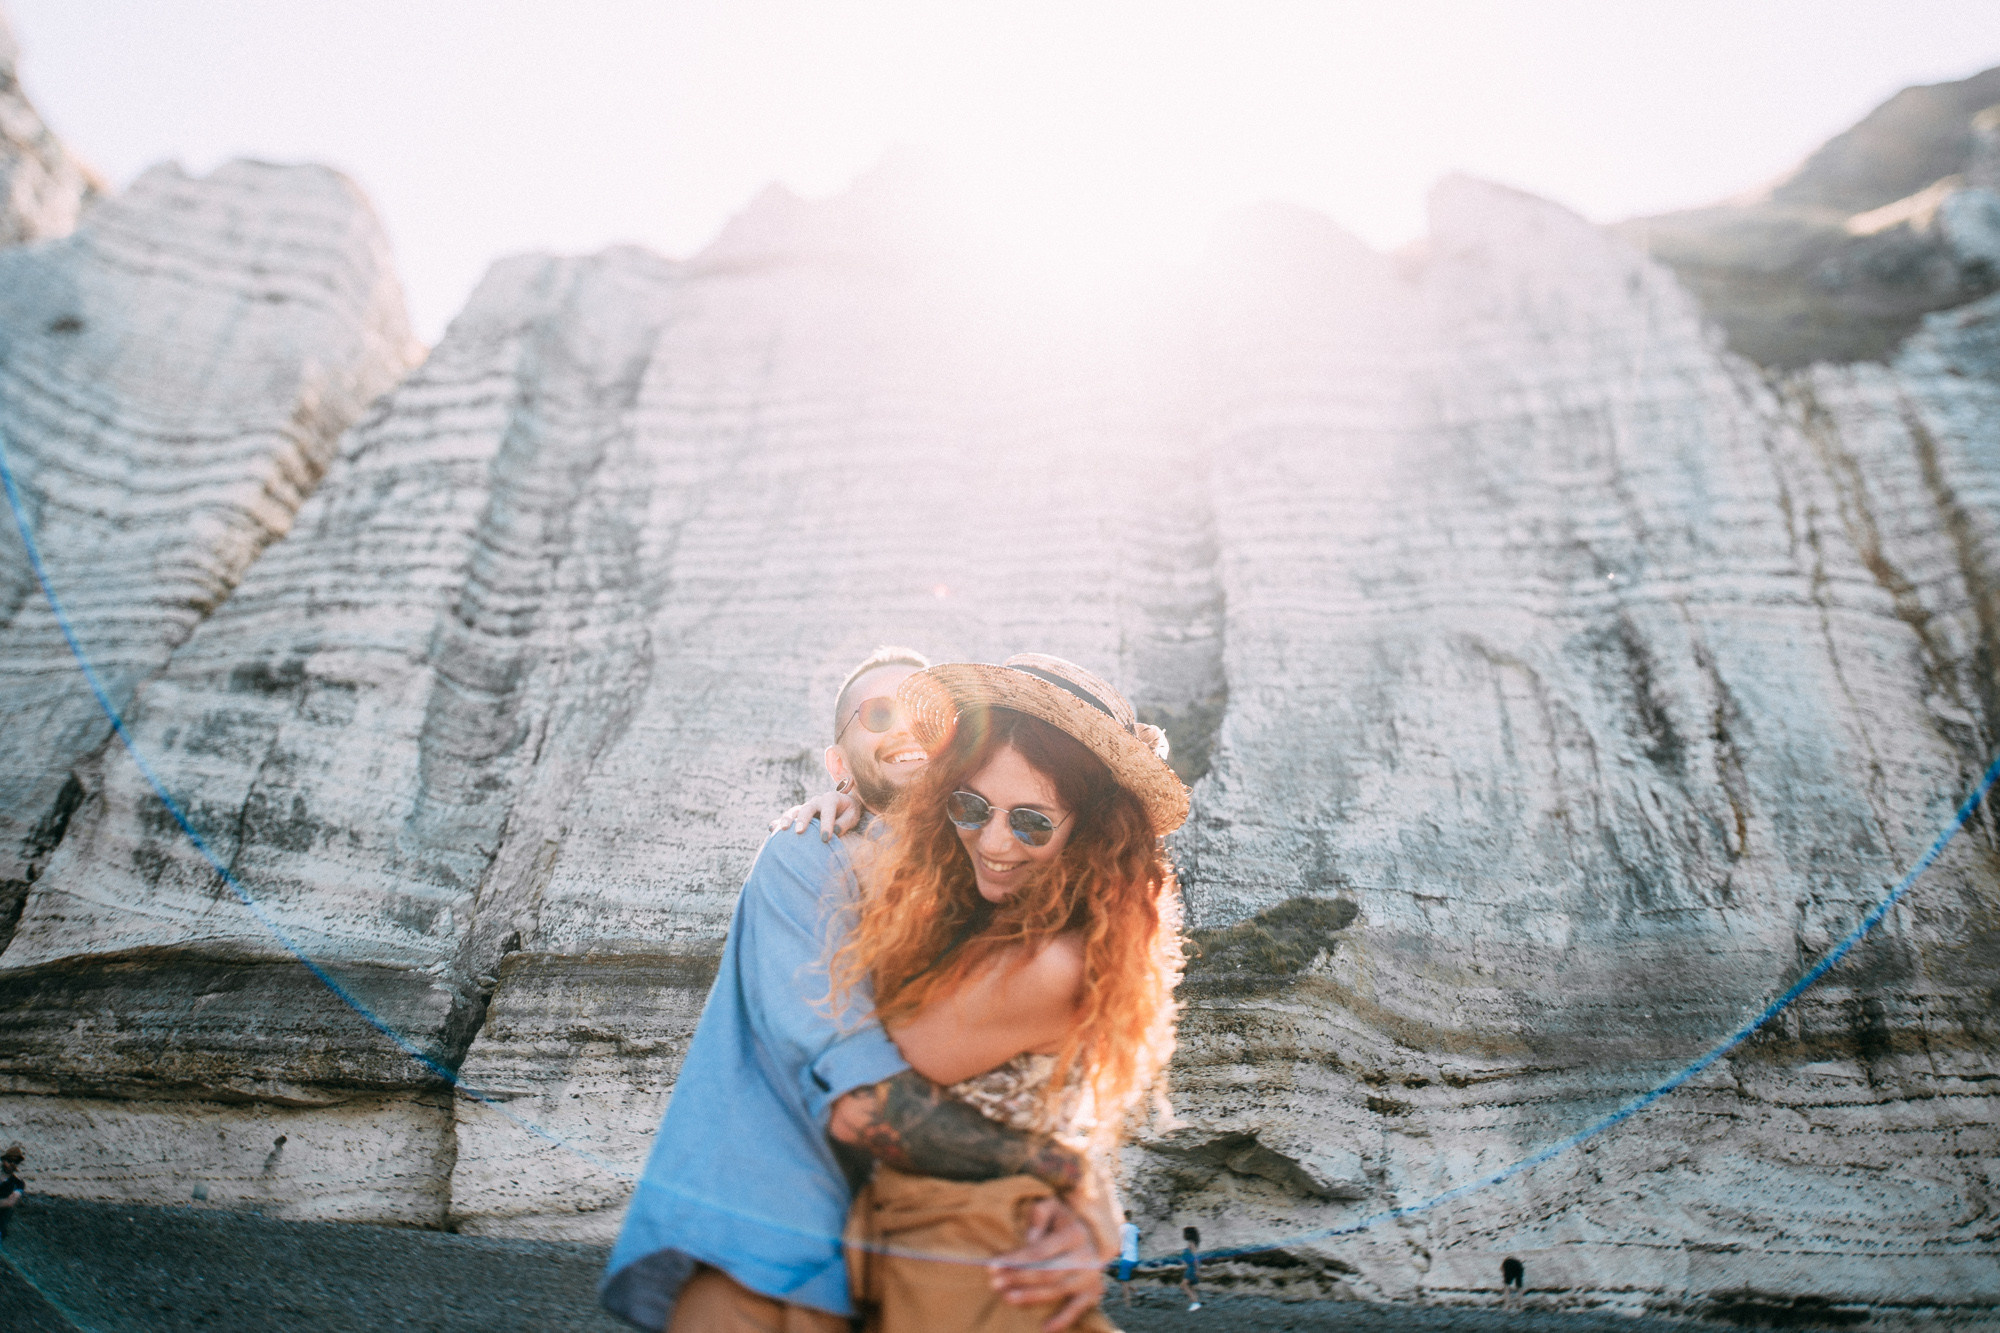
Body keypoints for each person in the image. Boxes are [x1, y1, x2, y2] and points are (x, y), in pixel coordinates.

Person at [602, 648, 1107, 1332]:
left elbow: (1026, 1082)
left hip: (914, 1257)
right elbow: (865, 1103)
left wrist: (1094, 1212)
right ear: (837, 766)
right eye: (877, 712)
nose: (902, 725)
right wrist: (1074, 1178)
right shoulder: (806, 853)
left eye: (927, 712)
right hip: (775, 1253)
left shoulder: (989, 883)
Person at [826, 654, 1189, 1332]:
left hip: (973, 1272)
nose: (993, 841)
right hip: (948, 1258)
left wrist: (1082, 1186)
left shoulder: (1049, 962)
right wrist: (852, 803)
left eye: (1032, 822)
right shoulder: (998, 922)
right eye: (969, 804)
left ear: (1092, 830)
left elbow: (862, 1106)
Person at [1115, 1212, 1141, 1306]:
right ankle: (1136, 1291)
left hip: (1126, 1258)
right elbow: (1140, 1237)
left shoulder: (1121, 1228)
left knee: (1124, 1281)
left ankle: (1127, 1303)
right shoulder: (1134, 1227)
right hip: (1135, 1257)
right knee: (1123, 1278)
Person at [0, 1143, 23, 1245]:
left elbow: (10, 1202)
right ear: (3, 1161)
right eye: (9, 1161)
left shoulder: (18, 1184)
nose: (12, 1164)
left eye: (15, 1162)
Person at [1178, 1227, 1201, 1312]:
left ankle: (1195, 1303)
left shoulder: (1191, 1244)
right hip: (1190, 1267)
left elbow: (1195, 1258)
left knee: (1183, 1285)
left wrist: (1197, 1270)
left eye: (1184, 1233)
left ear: (1188, 1235)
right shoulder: (1190, 1243)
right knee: (1191, 1286)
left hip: (1192, 1267)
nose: (1183, 1235)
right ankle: (1195, 1303)